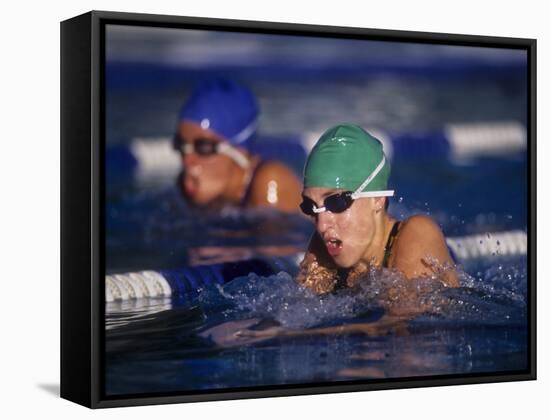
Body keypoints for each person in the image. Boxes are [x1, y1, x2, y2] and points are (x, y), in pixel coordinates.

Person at [297, 123, 458, 294]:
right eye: (311, 206)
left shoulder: (418, 234)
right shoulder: (325, 246)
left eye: (336, 203)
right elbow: (295, 310)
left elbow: (401, 319)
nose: (322, 225)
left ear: (378, 199)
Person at [174, 78, 302, 212]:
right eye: (180, 144)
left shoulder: (269, 181)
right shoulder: (186, 189)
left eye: (203, 147)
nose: (187, 161)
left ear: (239, 151)